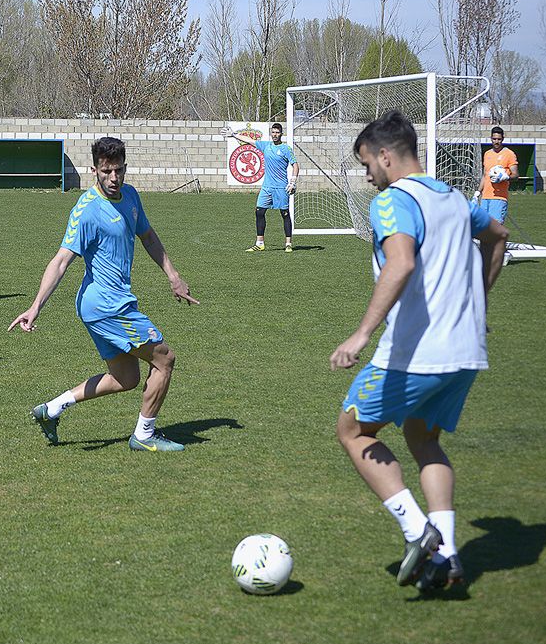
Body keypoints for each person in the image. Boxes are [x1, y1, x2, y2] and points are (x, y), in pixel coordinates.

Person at [330, 110, 508, 591]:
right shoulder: (453, 197)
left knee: (353, 428)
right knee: (423, 438)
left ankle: (417, 531)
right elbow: (499, 237)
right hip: (467, 349)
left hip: (418, 352)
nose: (367, 175)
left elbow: (401, 261)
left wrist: (362, 332)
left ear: (386, 156)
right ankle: (448, 557)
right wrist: (480, 301)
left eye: (367, 163)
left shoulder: (393, 200)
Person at [9, 137, 199, 452]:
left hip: (111, 303)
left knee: (125, 377)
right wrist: (35, 307)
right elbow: (60, 262)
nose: (114, 178)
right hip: (106, 306)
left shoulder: (132, 197)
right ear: (94, 169)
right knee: (165, 359)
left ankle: (52, 409)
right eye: (107, 171)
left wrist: (173, 275)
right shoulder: (86, 211)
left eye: (119, 170)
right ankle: (145, 435)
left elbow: (148, 236)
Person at [221, 122, 299, 252]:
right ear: (271, 133)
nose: (275, 135)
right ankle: (260, 243)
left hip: (281, 187)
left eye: (277, 132)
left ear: (281, 134)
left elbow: (295, 165)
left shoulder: (286, 149)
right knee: (259, 212)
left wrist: (292, 182)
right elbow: (249, 140)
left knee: (284, 214)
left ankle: (288, 243)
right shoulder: (266, 146)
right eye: (273, 132)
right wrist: (234, 134)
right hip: (267, 187)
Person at [478, 126, 518, 223]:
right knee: (482, 228)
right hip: (485, 197)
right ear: (491, 138)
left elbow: (516, 175)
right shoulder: (487, 154)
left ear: (503, 139)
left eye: (499, 139)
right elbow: (485, 175)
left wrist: (506, 177)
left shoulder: (509, 154)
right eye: (494, 139)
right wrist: (478, 192)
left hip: (499, 197)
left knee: (495, 228)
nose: (496, 141)